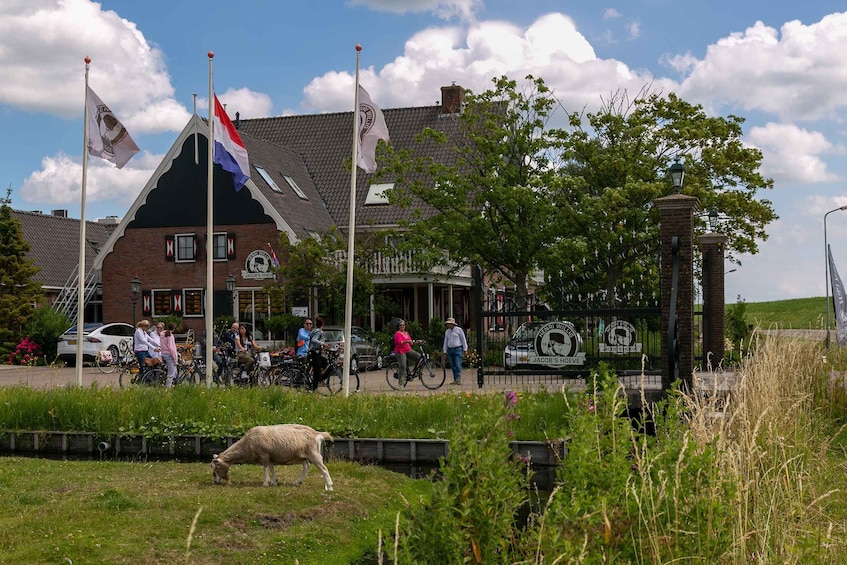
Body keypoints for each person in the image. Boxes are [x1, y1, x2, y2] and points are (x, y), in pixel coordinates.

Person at [393, 320, 422, 388]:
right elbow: (400, 342)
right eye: (400, 325)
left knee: (419, 357)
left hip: (408, 350)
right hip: (400, 351)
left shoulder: (406, 333)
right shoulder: (397, 333)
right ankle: (401, 383)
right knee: (403, 366)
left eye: (403, 325)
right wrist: (407, 341)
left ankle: (416, 372)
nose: (402, 327)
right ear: (398, 327)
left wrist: (417, 342)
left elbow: (411, 342)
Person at [442, 317, 468, 385]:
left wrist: (465, 349)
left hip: (457, 349)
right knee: (453, 365)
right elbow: (445, 342)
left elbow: (463, 339)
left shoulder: (459, 330)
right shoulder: (447, 332)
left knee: (457, 364)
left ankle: (458, 378)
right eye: (448, 324)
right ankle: (455, 378)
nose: (448, 325)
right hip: (450, 349)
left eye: (450, 324)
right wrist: (445, 352)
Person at [308, 316, 331, 390]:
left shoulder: (314, 330)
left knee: (323, 364)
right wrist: (323, 344)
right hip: (315, 352)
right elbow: (314, 340)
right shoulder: (319, 331)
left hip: (313, 352)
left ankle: (317, 382)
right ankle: (316, 385)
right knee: (318, 370)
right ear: (323, 324)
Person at [159, 322, 179, 388]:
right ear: (173, 329)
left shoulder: (162, 334)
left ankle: (176, 385)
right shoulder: (170, 336)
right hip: (169, 355)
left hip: (164, 354)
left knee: (175, 371)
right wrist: (175, 359)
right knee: (171, 373)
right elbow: (171, 348)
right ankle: (168, 389)